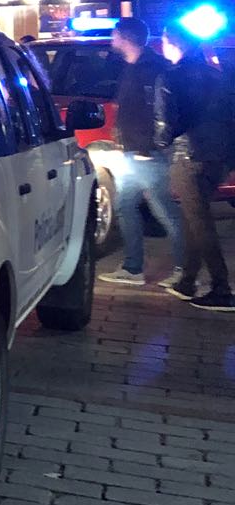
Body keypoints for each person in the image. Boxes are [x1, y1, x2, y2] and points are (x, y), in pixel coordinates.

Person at [100, 18, 183, 287]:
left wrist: (149, 146)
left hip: (147, 153)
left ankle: (184, 268)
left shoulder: (153, 69)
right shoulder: (132, 67)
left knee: (164, 210)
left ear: (125, 37)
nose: (112, 39)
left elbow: (161, 112)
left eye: (115, 34)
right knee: (126, 206)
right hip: (132, 153)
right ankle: (133, 268)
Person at [158, 21, 234, 311]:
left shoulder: (170, 76)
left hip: (189, 155)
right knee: (194, 216)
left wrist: (159, 145)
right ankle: (187, 280)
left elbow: (165, 124)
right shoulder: (217, 74)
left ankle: (221, 288)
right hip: (219, 157)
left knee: (200, 222)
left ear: (172, 43)